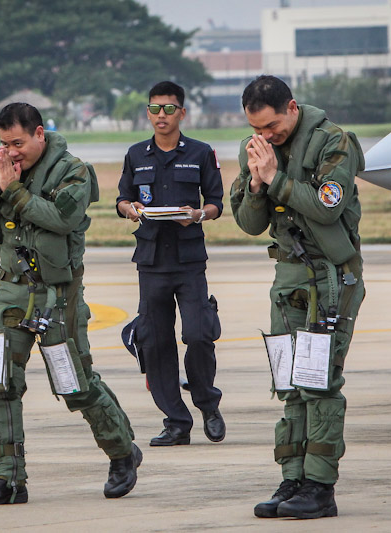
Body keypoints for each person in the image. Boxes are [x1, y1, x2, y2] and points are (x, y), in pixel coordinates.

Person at [0, 103, 141, 506]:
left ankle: (122, 452)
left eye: (18, 143)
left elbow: (61, 219)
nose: (11, 152)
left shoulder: (72, 171)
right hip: (12, 292)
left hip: (58, 294)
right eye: (5, 144)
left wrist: (14, 191)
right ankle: (8, 480)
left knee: (74, 382)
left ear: (39, 134)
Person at [230, 75, 366, 520]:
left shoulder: (333, 143)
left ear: (292, 107)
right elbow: (249, 224)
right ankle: (292, 479)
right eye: (257, 129)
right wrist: (255, 185)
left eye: (272, 127)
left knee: (318, 380)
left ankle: (320, 486)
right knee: (288, 381)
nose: (265, 136)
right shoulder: (255, 150)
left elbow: (327, 206)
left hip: (330, 276)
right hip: (287, 277)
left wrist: (275, 178)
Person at [116, 81, 225, 447]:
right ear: (148, 113)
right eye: (154, 108)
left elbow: (215, 202)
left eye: (168, 108)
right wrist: (130, 209)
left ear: (182, 112)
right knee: (157, 343)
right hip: (151, 261)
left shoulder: (200, 152)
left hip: (189, 260)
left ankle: (207, 403)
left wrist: (198, 215)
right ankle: (176, 422)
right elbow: (122, 199)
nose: (161, 115)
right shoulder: (136, 154)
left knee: (199, 334)